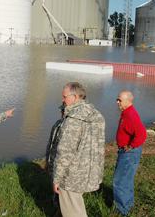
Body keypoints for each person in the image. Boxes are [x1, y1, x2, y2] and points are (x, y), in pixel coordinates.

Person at [52, 82, 105, 217]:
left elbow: (65, 152)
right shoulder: (96, 114)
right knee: (73, 206)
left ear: (75, 97)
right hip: (89, 171)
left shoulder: (73, 120)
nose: (62, 100)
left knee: (74, 212)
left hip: (72, 176)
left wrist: (56, 178)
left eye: (64, 97)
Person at [113, 90, 147, 216]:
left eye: (120, 100)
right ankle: (128, 204)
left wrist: (131, 146)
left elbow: (142, 134)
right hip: (126, 151)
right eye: (117, 99)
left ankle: (122, 210)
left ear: (128, 101)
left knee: (120, 181)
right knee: (126, 179)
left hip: (129, 153)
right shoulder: (126, 112)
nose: (117, 102)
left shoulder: (130, 115)